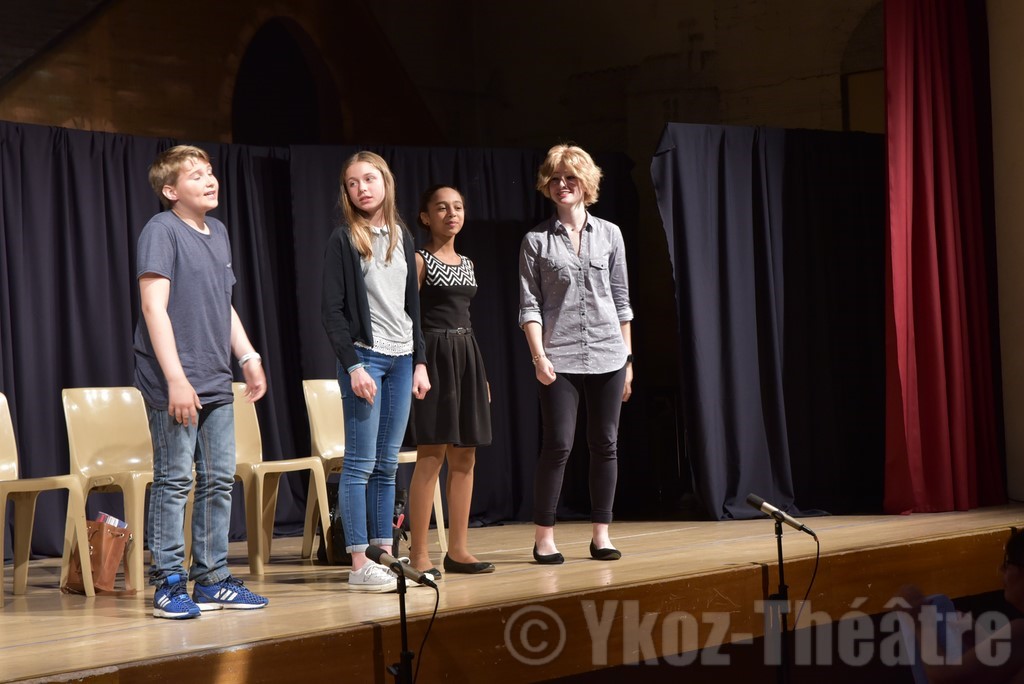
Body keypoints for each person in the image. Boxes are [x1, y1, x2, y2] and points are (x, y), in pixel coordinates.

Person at [134, 144, 269, 619]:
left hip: (215, 375)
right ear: (171, 191)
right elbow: (154, 307)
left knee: (218, 481)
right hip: (174, 378)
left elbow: (222, 303)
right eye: (196, 175)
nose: (209, 179)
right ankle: (169, 582)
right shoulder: (161, 230)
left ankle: (212, 578)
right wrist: (175, 378)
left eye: (210, 172)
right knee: (175, 480)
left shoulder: (219, 233)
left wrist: (248, 355)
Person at [518, 143, 634, 565]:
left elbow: (621, 301)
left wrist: (628, 359)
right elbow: (529, 306)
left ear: (586, 184)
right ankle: (544, 537)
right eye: (555, 179)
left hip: (608, 352)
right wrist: (538, 357)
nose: (562, 185)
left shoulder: (611, 234)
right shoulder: (535, 241)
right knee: (559, 445)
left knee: (605, 443)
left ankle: (601, 535)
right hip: (559, 356)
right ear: (546, 186)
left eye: (570, 178)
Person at [321, 151, 430, 592]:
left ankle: (384, 556)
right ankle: (356, 564)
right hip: (366, 357)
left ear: (386, 182)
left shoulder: (403, 236)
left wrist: (420, 360)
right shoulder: (344, 239)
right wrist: (353, 366)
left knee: (388, 465)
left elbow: (412, 308)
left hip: (403, 359)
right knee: (360, 464)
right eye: (352, 182)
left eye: (369, 179)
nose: (362, 188)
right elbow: (331, 311)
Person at [407, 185, 494, 578]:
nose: (451, 213)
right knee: (432, 454)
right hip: (434, 356)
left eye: (458, 207)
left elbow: (467, 318)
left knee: (466, 455)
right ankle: (420, 553)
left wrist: (482, 375)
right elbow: (408, 317)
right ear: (426, 216)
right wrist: (417, 363)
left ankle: (458, 550)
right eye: (441, 208)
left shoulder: (468, 263)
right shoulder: (419, 259)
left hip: (466, 355)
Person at [899, 528, 1024, 683]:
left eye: (1007, 563)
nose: (1000, 569)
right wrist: (980, 636)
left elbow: (943, 677)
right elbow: (1007, 660)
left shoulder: (1020, 632)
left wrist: (920, 622)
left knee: (936, 604)